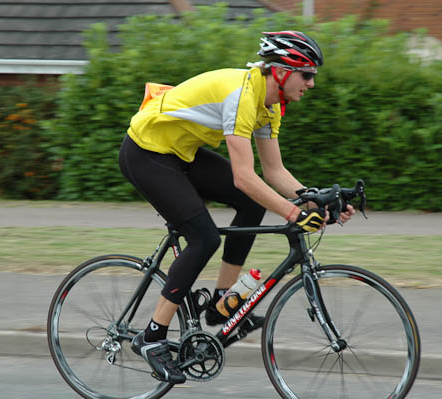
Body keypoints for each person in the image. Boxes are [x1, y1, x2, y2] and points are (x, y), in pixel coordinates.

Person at [119, 31, 355, 384]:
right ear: (280, 71)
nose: (311, 83)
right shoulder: (243, 96)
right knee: (203, 238)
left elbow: (273, 172)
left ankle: (221, 303)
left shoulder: (270, 106)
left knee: (249, 203)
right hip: (146, 152)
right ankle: (152, 337)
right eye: (306, 74)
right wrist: (293, 213)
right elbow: (245, 176)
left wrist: (315, 199)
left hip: (180, 152)